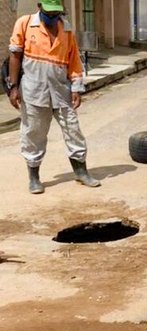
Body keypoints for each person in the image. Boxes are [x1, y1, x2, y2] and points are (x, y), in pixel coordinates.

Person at [8, 0, 100, 194]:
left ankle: (81, 172)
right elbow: (15, 56)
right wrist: (13, 87)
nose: (52, 18)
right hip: (34, 90)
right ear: (40, 6)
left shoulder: (66, 29)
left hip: (61, 91)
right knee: (34, 133)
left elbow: (74, 60)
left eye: (56, 14)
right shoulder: (25, 23)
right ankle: (34, 177)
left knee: (73, 130)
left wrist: (76, 88)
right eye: (49, 13)